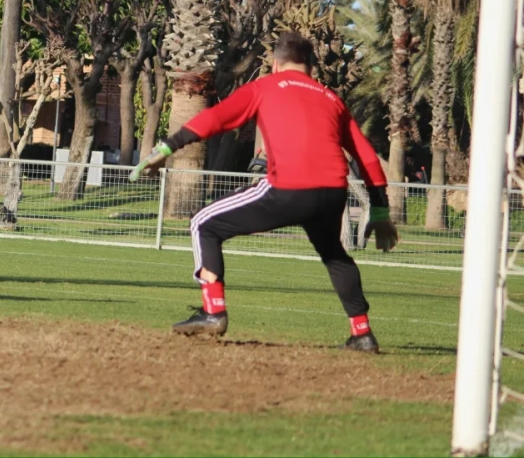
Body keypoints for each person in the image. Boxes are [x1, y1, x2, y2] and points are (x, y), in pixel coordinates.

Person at [131, 32, 399, 353]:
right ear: (311, 67)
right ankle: (362, 334)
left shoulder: (266, 86)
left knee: (203, 223)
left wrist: (167, 147)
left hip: (289, 188)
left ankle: (213, 312)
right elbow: (366, 156)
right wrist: (379, 210)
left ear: (274, 63)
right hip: (332, 193)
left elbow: (216, 118)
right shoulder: (331, 99)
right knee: (335, 256)